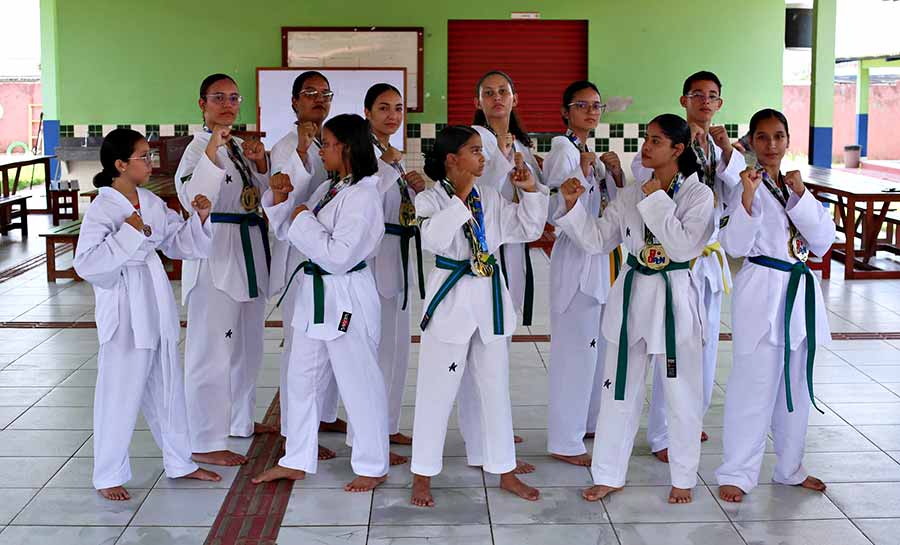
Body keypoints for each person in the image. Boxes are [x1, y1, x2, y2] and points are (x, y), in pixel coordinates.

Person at [556, 114, 714, 504]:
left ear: (678, 149)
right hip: (632, 296)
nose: (646, 146)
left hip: (674, 295)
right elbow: (597, 240)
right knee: (618, 390)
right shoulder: (630, 194)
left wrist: (657, 198)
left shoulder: (699, 196)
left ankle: (683, 477)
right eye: (646, 138)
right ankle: (609, 473)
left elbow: (681, 247)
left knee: (681, 393)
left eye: (657, 141)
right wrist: (574, 208)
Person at [74, 128, 220, 500]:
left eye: (149, 155)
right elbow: (87, 265)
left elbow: (177, 243)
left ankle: (180, 461)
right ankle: (108, 473)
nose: (150, 163)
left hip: (154, 300)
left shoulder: (150, 202)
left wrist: (200, 218)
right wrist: (128, 235)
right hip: (125, 305)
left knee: (168, 386)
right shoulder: (103, 208)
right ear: (120, 165)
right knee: (119, 391)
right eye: (143, 157)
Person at [409, 125, 548, 507]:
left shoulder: (490, 196)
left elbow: (528, 228)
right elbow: (433, 240)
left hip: (489, 301)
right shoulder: (430, 198)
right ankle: (422, 473)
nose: (483, 157)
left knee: (495, 389)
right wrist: (461, 198)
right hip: (450, 300)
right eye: (475, 151)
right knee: (436, 391)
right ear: (453, 160)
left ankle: (503, 468)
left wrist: (530, 191)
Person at [252, 114, 390, 492]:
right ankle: (296, 458)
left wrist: (301, 218)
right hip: (315, 296)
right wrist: (282, 202)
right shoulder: (332, 187)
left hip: (345, 294)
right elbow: (291, 229)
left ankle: (373, 463)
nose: (322, 149)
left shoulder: (362, 195)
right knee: (301, 379)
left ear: (345, 147)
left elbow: (339, 254)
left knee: (357, 379)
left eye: (327, 143)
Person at [716, 109, 834, 503]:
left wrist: (801, 196)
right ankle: (737, 472)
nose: (771, 145)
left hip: (798, 290)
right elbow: (734, 246)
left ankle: (790, 467)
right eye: (762, 137)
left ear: (787, 140)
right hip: (762, 288)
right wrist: (748, 200)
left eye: (778, 137)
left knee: (795, 387)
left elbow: (822, 242)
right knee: (754, 385)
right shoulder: (741, 185)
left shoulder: (795, 185)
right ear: (750, 141)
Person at [633, 71, 745, 462]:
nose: (705, 101)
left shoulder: (725, 150)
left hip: (708, 260)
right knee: (671, 345)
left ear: (720, 104)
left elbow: (736, 194)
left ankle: (688, 420)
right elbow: (643, 180)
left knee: (704, 346)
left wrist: (726, 151)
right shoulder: (664, 142)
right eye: (697, 94)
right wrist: (682, 152)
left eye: (713, 96)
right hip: (673, 257)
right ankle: (663, 433)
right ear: (684, 100)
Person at [174, 73, 275, 466]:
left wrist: (261, 162)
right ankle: (204, 438)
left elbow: (262, 194)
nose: (228, 104)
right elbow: (190, 197)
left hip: (249, 250)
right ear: (202, 104)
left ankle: (239, 420)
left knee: (247, 346)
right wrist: (214, 151)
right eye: (218, 97)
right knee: (211, 351)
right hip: (216, 255)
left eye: (234, 97)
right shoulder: (200, 147)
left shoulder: (237, 147)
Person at [544, 80, 624, 466]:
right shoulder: (563, 150)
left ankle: (588, 422)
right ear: (565, 111)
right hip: (575, 258)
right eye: (582, 105)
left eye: (596, 105)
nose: (591, 112)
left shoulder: (586, 150)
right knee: (574, 353)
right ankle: (565, 440)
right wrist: (581, 169)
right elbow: (555, 207)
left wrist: (614, 174)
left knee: (597, 349)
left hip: (602, 260)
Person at [268, 71, 345, 459]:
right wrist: (299, 154)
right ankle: (292, 431)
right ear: (295, 101)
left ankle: (323, 415)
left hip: (326, 256)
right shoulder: (287, 146)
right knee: (299, 347)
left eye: (324, 93)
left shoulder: (325, 144)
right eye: (310, 93)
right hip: (300, 257)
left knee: (325, 339)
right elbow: (286, 202)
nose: (319, 99)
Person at [364, 83, 428, 454]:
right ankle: (372, 434)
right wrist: (389, 169)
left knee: (397, 346)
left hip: (399, 253)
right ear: (368, 112)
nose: (393, 115)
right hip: (376, 256)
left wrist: (415, 189)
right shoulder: (368, 153)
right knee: (379, 347)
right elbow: (362, 196)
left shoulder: (391, 154)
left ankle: (388, 426)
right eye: (384, 108)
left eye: (398, 108)